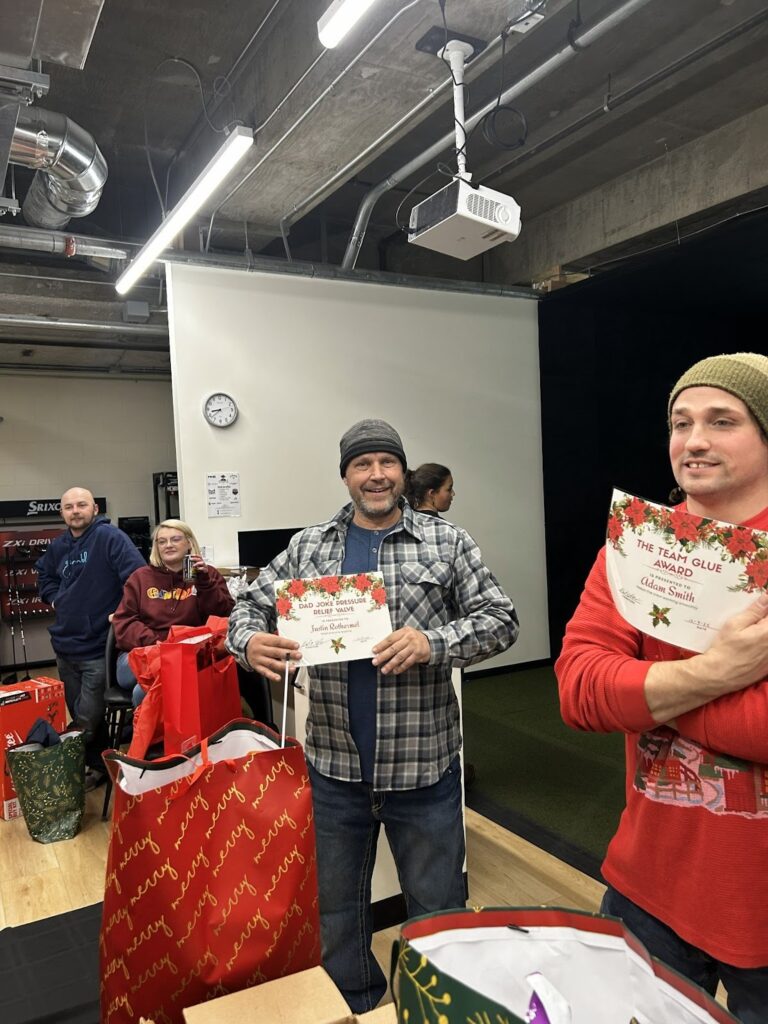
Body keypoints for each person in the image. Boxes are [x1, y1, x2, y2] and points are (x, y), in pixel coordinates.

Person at [227, 418, 518, 1012]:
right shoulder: (310, 547)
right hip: (335, 769)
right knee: (337, 912)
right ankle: (356, 1003)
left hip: (423, 768)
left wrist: (432, 642)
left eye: (388, 463)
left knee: (437, 911)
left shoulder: (447, 542)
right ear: (346, 476)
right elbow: (249, 605)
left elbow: (500, 619)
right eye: (363, 464)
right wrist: (249, 641)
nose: (376, 475)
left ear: (403, 473)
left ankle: (435, 1010)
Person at [555, 353, 768, 1024]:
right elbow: (580, 690)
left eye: (722, 421)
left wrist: (651, 698)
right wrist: (723, 671)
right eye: (681, 422)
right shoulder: (638, 547)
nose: (693, 440)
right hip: (649, 888)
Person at [36, 486, 145, 788]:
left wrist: (121, 613)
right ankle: (99, 768)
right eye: (69, 507)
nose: (75, 511)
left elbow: (138, 578)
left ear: (95, 509)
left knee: (87, 718)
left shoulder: (110, 538)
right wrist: (56, 600)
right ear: (62, 513)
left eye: (81, 505)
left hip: (97, 645)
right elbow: (45, 576)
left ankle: (68, 771)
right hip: (64, 645)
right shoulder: (59, 545)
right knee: (80, 712)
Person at [111, 519, 234, 706]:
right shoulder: (140, 578)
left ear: (189, 543)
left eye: (175, 539)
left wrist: (204, 584)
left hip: (190, 654)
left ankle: (160, 726)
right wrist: (159, 644)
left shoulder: (207, 575)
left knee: (142, 691)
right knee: (141, 677)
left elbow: (222, 616)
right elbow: (125, 621)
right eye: (162, 541)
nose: (168, 545)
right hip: (145, 651)